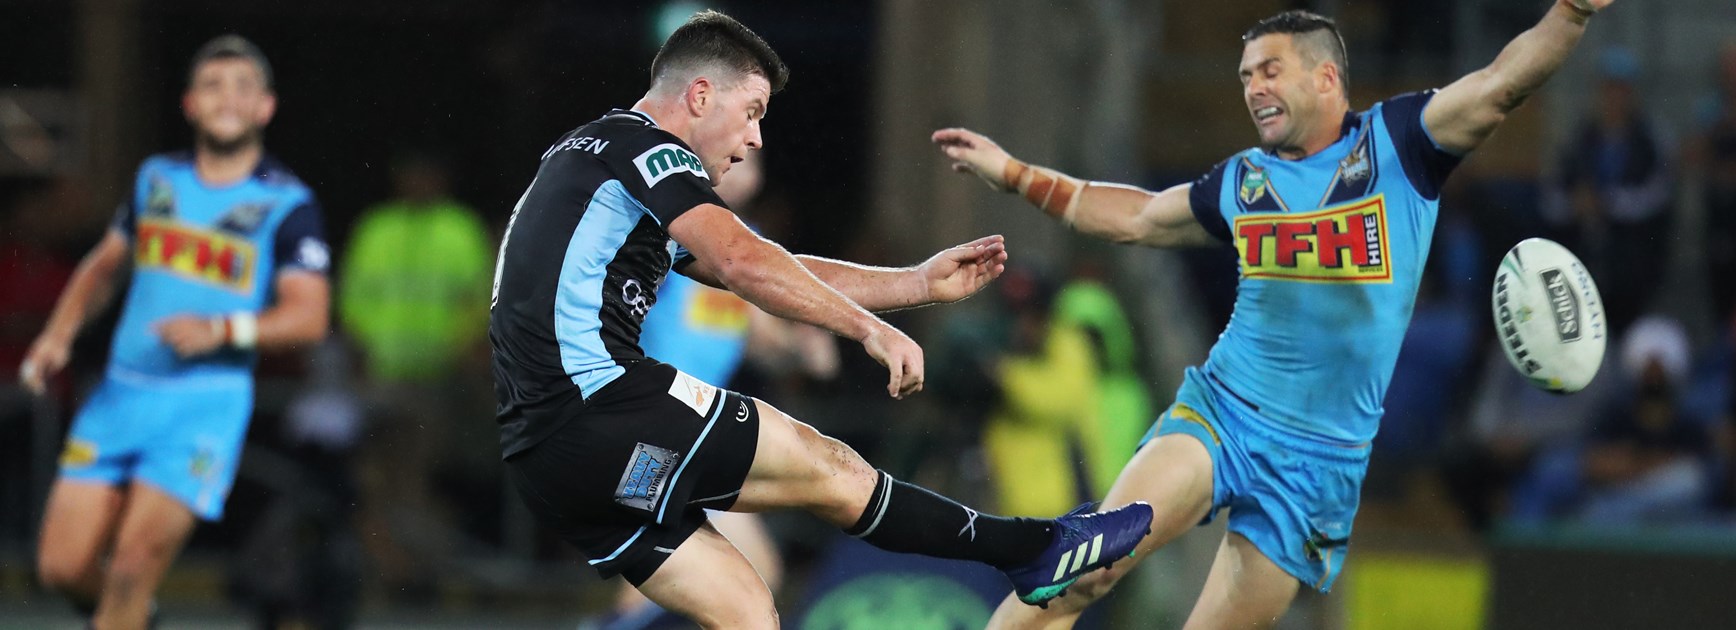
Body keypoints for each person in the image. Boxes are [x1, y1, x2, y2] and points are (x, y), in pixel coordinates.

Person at [934, 1, 1620, 626]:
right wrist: (1013, 173)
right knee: (1084, 567)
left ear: (1326, 77)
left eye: (1270, 70)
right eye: (1244, 76)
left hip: (1320, 465)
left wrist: (1570, 13)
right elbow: (1137, 216)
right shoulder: (1242, 180)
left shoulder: (1401, 142)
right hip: (1222, 416)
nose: (1253, 88)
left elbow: (1501, 84)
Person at [487, 10, 1152, 628]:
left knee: (749, 611)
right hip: (601, 406)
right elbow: (745, 262)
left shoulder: (594, 159)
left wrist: (916, 283)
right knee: (831, 468)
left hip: (548, 457)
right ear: (699, 96)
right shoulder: (648, 150)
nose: (754, 138)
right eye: (752, 112)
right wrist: (868, 329)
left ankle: (1032, 551)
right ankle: (1033, 549)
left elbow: (773, 266)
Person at [18, 35, 330, 630]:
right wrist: (57, 335)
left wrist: (223, 328)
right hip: (118, 396)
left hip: (202, 407)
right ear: (189, 103)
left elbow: (309, 317)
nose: (227, 98)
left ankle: (130, 607)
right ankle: (140, 618)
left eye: (242, 87)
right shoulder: (156, 179)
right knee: (62, 567)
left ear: (266, 107)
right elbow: (105, 267)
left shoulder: (287, 204)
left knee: (133, 565)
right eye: (213, 85)